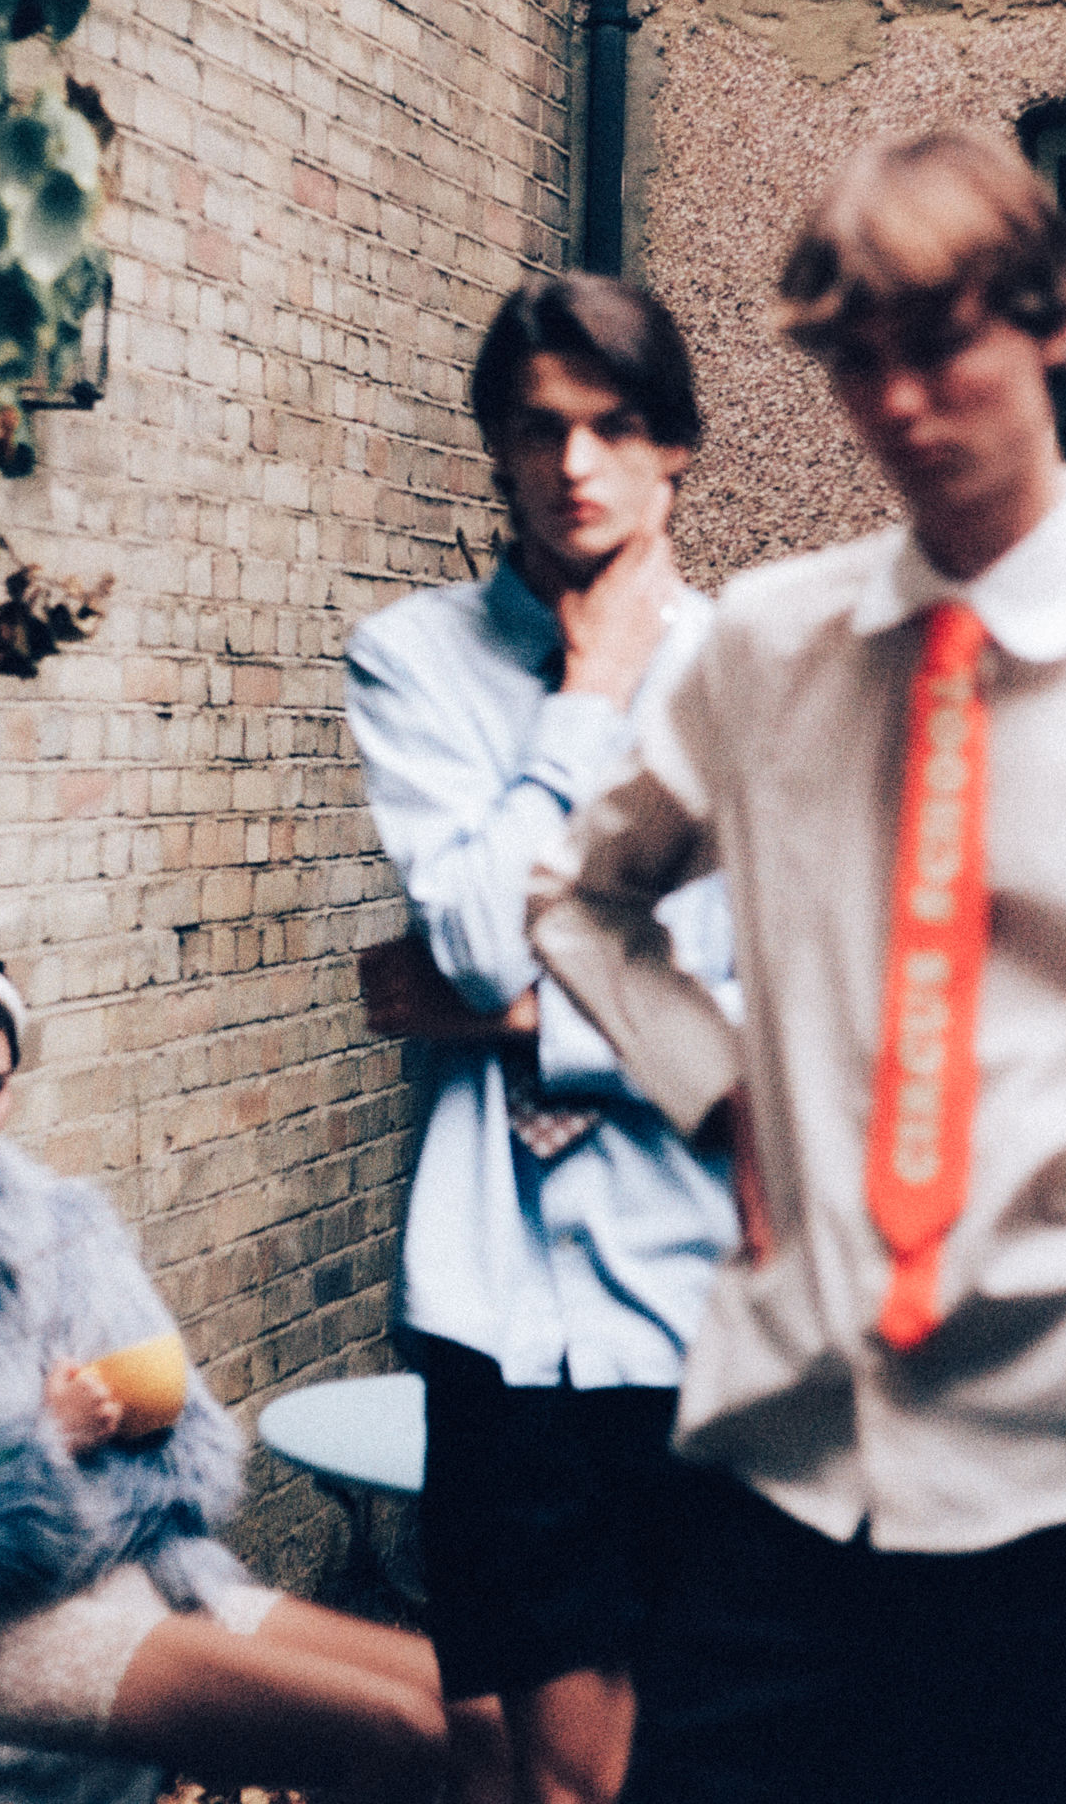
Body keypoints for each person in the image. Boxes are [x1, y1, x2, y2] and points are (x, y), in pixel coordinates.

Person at [526, 129, 1066, 1804]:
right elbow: (582, 898)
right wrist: (727, 1101)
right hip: (788, 1484)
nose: (898, 404)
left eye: (940, 346)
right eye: (855, 361)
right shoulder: (770, 650)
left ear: (1052, 325)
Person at [343, 274, 740, 1804]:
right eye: (540, 429)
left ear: (675, 445)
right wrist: (589, 692)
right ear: (497, 449)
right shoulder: (414, 660)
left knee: (702, 1753)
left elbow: (776, 1017)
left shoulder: (753, 675)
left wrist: (518, 1020)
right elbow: (480, 944)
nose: (576, 465)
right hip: (498, 1291)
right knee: (538, 1771)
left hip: (702, 1284)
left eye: (615, 426)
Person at [0, 939, 505, 1804]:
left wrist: (136, 1417)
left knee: (478, 1709)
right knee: (393, 1729)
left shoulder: (66, 1224)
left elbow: (184, 1453)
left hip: (132, 1565)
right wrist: (41, 1446)